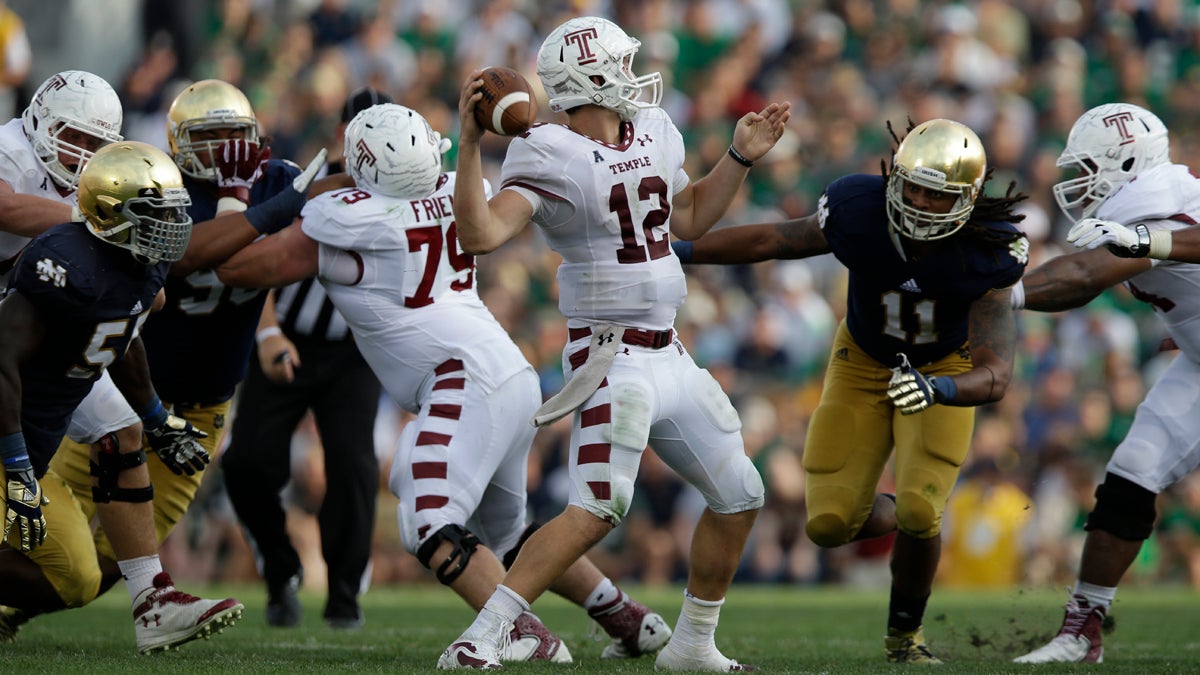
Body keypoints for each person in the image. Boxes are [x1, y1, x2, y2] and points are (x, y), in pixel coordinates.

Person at [217, 102, 672, 664]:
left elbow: (235, 268)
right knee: (510, 537)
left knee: (427, 515)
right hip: (506, 371)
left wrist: (245, 201)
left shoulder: (352, 221)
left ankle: (524, 635)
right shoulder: (458, 188)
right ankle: (626, 618)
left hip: (462, 378)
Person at [438, 15, 790, 671]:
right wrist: (467, 144)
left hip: (669, 351)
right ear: (590, 78)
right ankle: (484, 633)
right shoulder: (545, 150)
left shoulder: (654, 130)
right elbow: (483, 234)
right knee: (600, 504)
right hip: (609, 355)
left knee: (741, 491)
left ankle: (690, 645)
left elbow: (688, 217)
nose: (633, 76)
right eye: (620, 65)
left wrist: (738, 158)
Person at [676, 118, 1030, 663]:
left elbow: (996, 373)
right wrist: (682, 251)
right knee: (829, 523)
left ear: (969, 197)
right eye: (912, 187)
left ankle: (904, 634)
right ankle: (910, 505)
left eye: (937, 196)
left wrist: (937, 389)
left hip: (943, 367)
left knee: (920, 512)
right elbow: (776, 238)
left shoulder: (989, 249)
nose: (918, 202)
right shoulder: (859, 211)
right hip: (862, 359)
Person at [38, 78, 326, 617]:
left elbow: (327, 192)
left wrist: (372, 174)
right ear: (178, 141)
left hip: (205, 401)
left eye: (234, 134)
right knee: (56, 513)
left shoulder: (276, 181)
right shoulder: (160, 186)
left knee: (124, 554)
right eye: (210, 134)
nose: (223, 147)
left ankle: (15, 612)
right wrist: (249, 207)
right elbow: (191, 256)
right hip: (124, 390)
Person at [0, 71, 240, 653]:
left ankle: (150, 598)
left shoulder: (110, 213)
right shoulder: (11, 152)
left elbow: (131, 314)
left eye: (95, 147)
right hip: (14, 325)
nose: (83, 157)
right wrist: (96, 219)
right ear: (38, 125)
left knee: (121, 428)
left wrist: (157, 415)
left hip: (44, 330)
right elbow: (5, 207)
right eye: (73, 140)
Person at [1011, 102, 1200, 664]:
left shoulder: (1150, 202)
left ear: (1127, 163)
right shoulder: (1154, 199)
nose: (1080, 182)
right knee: (1132, 473)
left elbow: (1085, 275)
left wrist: (1007, 295)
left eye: (1091, 167)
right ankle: (1081, 630)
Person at [221, 87, 391, 630]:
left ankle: (344, 596)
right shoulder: (310, 181)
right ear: (343, 134)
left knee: (354, 467)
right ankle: (279, 568)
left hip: (357, 350)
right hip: (289, 335)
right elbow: (256, 261)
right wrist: (268, 334)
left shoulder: (411, 188)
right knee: (246, 460)